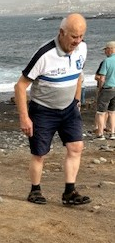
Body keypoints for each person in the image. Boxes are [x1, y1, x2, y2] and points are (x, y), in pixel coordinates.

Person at [14, 13, 91, 206]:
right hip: (43, 110)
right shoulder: (44, 54)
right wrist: (24, 117)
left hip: (69, 109)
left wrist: (77, 101)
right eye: (74, 36)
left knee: (76, 147)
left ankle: (69, 192)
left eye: (81, 36)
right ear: (62, 32)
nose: (78, 41)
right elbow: (20, 86)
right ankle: (35, 191)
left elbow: (79, 75)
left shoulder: (82, 48)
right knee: (39, 153)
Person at [94, 41, 115, 140]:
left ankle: (100, 134)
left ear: (111, 49)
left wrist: (100, 88)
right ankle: (112, 133)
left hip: (107, 88)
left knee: (101, 112)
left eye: (106, 49)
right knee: (112, 112)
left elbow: (102, 78)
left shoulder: (107, 61)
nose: (105, 52)